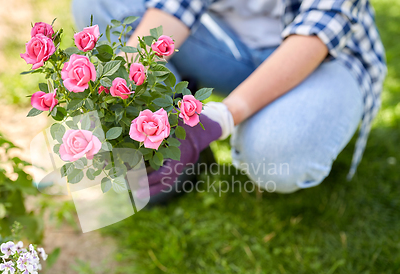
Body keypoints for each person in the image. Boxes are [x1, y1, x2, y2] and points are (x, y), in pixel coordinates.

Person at [71, 0, 386, 196]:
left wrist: (223, 116)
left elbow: (315, 35)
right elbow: (176, 7)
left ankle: (227, 126)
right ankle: (172, 154)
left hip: (324, 59)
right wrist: (126, 72)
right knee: (99, 3)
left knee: (276, 155)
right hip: (235, 50)